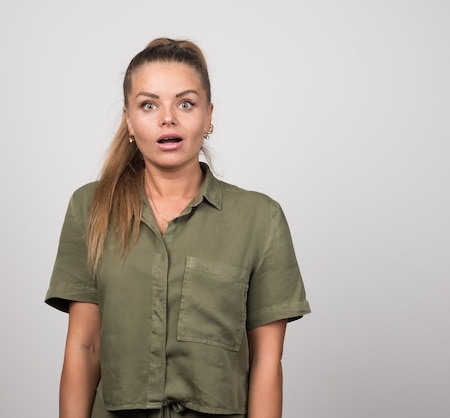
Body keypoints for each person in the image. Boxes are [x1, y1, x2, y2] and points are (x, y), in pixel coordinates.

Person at [45, 38, 311, 418]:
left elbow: (267, 361)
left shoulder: (260, 220)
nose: (167, 118)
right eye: (149, 105)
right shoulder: (89, 208)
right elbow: (83, 346)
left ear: (208, 116)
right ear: (129, 121)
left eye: (185, 103)